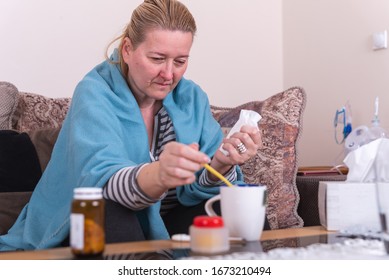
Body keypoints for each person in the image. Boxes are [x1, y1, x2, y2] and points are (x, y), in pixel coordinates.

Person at [0, 0, 262, 251]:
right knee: (109, 212)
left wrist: (222, 162)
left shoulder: (191, 97)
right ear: (127, 49)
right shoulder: (95, 93)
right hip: (89, 220)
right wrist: (160, 174)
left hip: (168, 222)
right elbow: (104, 184)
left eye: (180, 61)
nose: (169, 74)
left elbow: (200, 190)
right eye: (158, 59)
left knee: (233, 212)